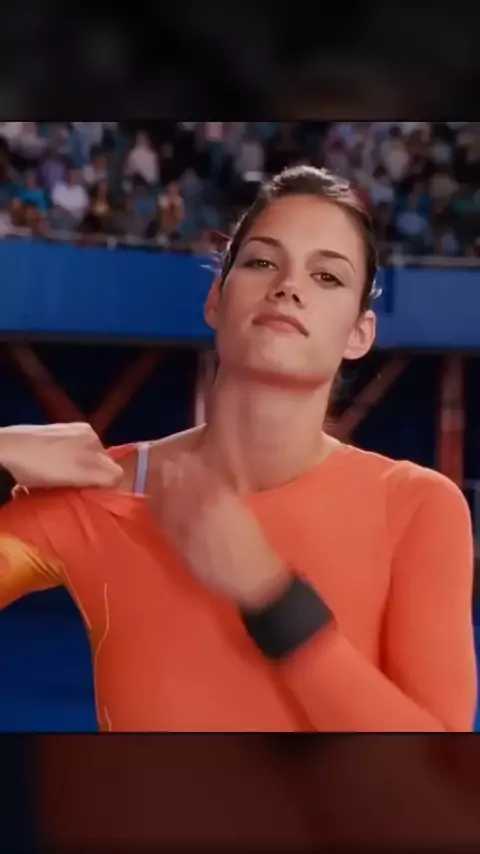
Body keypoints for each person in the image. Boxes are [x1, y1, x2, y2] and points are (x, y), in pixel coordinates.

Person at [0, 165, 476, 732]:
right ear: (215, 300)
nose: (288, 286)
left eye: (327, 276)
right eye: (261, 262)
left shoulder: (418, 506)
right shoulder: (103, 490)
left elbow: (437, 774)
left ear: (359, 334)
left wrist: (270, 596)